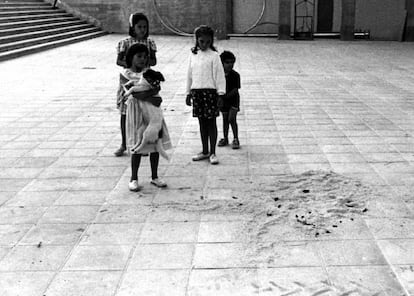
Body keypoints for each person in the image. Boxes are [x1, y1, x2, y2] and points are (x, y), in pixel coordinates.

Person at [121, 44, 171, 191]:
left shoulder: (149, 72)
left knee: (155, 143)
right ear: (131, 58)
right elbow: (134, 93)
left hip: (151, 112)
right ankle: (134, 177)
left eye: (145, 57)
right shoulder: (125, 74)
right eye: (139, 56)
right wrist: (150, 95)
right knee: (137, 143)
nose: (142, 60)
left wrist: (150, 94)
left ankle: (154, 176)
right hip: (137, 113)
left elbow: (157, 87)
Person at [114, 12, 157, 157]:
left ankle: (141, 143)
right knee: (125, 114)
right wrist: (131, 64)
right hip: (129, 80)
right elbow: (118, 60)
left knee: (143, 115)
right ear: (133, 27)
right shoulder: (125, 43)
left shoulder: (149, 42)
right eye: (139, 27)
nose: (142, 30)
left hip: (144, 81)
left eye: (145, 27)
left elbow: (154, 61)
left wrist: (145, 62)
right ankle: (124, 144)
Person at [185, 25, 226, 165]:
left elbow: (220, 76)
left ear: (211, 41)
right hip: (197, 92)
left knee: (211, 123)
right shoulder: (193, 55)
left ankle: (213, 152)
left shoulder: (214, 56)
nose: (204, 44)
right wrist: (188, 92)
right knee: (202, 123)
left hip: (210, 93)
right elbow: (189, 75)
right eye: (202, 41)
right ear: (196, 40)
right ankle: (205, 150)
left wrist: (220, 94)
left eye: (208, 42)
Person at [217, 50, 241, 149]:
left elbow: (236, 89)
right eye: (227, 62)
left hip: (233, 100)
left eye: (232, 62)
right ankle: (225, 138)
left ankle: (236, 138)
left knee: (232, 119)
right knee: (225, 119)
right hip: (223, 101)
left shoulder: (235, 75)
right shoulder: (219, 75)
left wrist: (225, 96)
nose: (230, 65)